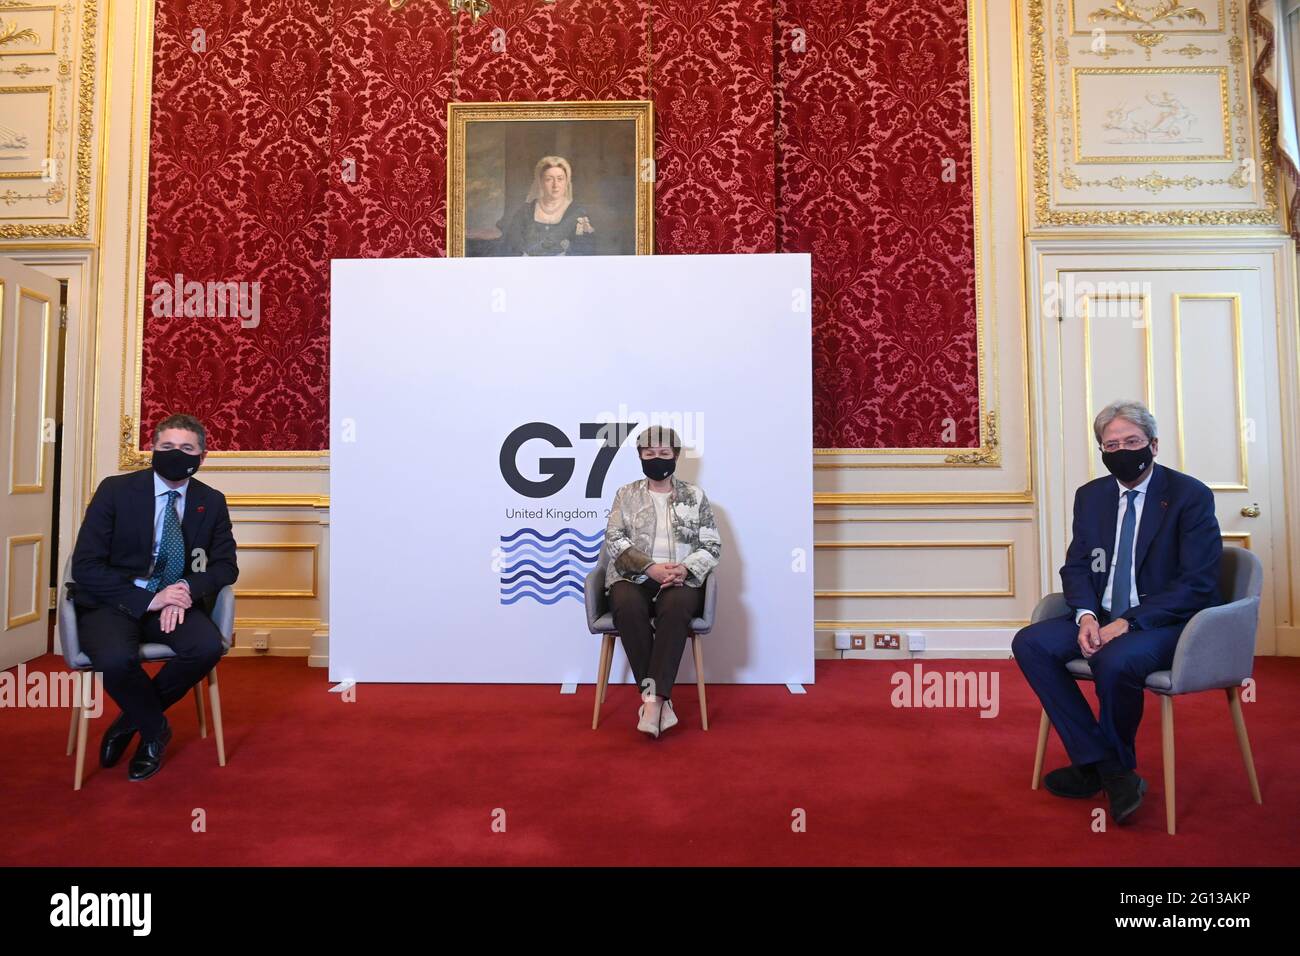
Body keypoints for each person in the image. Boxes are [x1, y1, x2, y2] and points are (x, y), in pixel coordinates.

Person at [1012, 400, 1222, 824]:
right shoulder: (1091, 497)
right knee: (1030, 642)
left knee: (1115, 657)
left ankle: (1104, 766)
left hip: (1164, 621)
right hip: (1103, 614)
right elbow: (1076, 565)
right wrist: (1087, 616)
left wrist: (1128, 622)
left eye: (1132, 441)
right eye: (1112, 444)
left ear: (1154, 445)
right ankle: (1109, 766)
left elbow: (1197, 583)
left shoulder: (1188, 496)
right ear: (1102, 451)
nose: (1123, 451)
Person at [70, 413, 239, 781]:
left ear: (202, 457)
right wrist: (150, 598)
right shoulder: (115, 491)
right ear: (152, 449)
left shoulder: (210, 501)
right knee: (115, 659)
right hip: (116, 601)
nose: (175, 454)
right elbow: (86, 566)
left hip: (176, 602)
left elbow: (226, 567)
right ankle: (155, 729)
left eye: (186, 448)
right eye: (166, 447)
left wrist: (184, 590)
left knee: (207, 647)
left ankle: (131, 721)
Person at [604, 426, 721, 737]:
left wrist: (684, 569)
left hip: (680, 578)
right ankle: (659, 701)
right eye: (649, 454)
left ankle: (652, 701)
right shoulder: (625, 494)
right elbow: (613, 540)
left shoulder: (694, 497)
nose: (657, 459)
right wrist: (649, 568)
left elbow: (711, 546)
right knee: (626, 604)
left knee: (676, 607)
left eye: (664, 454)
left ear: (676, 456)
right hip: (635, 577)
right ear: (640, 457)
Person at [496, 155, 596, 257]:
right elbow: (511, 246)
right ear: (540, 182)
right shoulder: (525, 211)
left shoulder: (578, 213)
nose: (555, 185)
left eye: (560, 179)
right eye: (549, 179)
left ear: (566, 182)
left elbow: (585, 250)